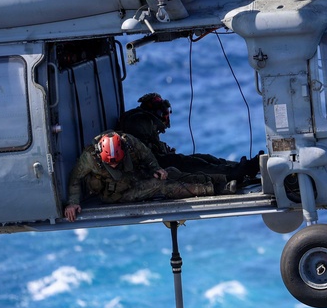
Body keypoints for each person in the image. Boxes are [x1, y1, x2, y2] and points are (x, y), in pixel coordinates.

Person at [63, 131, 233, 222]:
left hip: (133, 178)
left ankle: (218, 178)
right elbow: (75, 178)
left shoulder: (128, 142)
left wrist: (156, 168)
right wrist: (72, 203)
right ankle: (215, 189)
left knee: (171, 171)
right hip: (117, 195)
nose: (113, 165)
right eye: (110, 163)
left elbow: (146, 155)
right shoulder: (90, 157)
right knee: (160, 186)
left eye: (117, 161)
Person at [117, 92, 260, 185]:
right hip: (152, 169)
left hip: (157, 161)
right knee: (193, 165)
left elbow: (147, 148)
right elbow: (144, 156)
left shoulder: (141, 119)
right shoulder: (140, 122)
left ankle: (243, 167)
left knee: (203, 158)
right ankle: (235, 173)